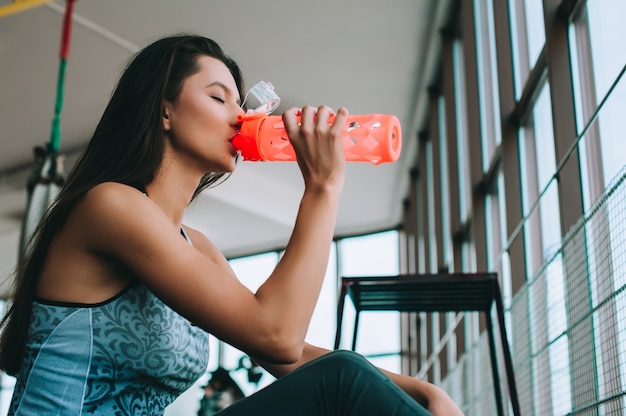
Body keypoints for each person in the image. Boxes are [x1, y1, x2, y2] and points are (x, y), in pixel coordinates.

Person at [0, 34, 464, 415]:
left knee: (343, 375)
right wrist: (322, 188)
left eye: (241, 104)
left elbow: (288, 354)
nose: (240, 116)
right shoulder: (110, 206)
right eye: (218, 97)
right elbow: (276, 337)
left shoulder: (196, 248)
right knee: (340, 381)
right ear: (164, 110)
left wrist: (421, 390)